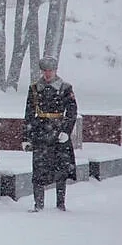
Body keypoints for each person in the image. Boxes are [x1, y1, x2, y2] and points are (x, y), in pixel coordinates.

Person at [23, 56, 78, 212]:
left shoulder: (65, 88)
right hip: (40, 131)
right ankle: (38, 204)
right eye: (45, 71)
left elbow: (72, 112)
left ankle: (60, 204)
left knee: (61, 169)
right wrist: (26, 137)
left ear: (55, 70)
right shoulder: (34, 88)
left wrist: (66, 131)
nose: (47, 74)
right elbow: (29, 113)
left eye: (50, 71)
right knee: (39, 169)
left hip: (58, 131)